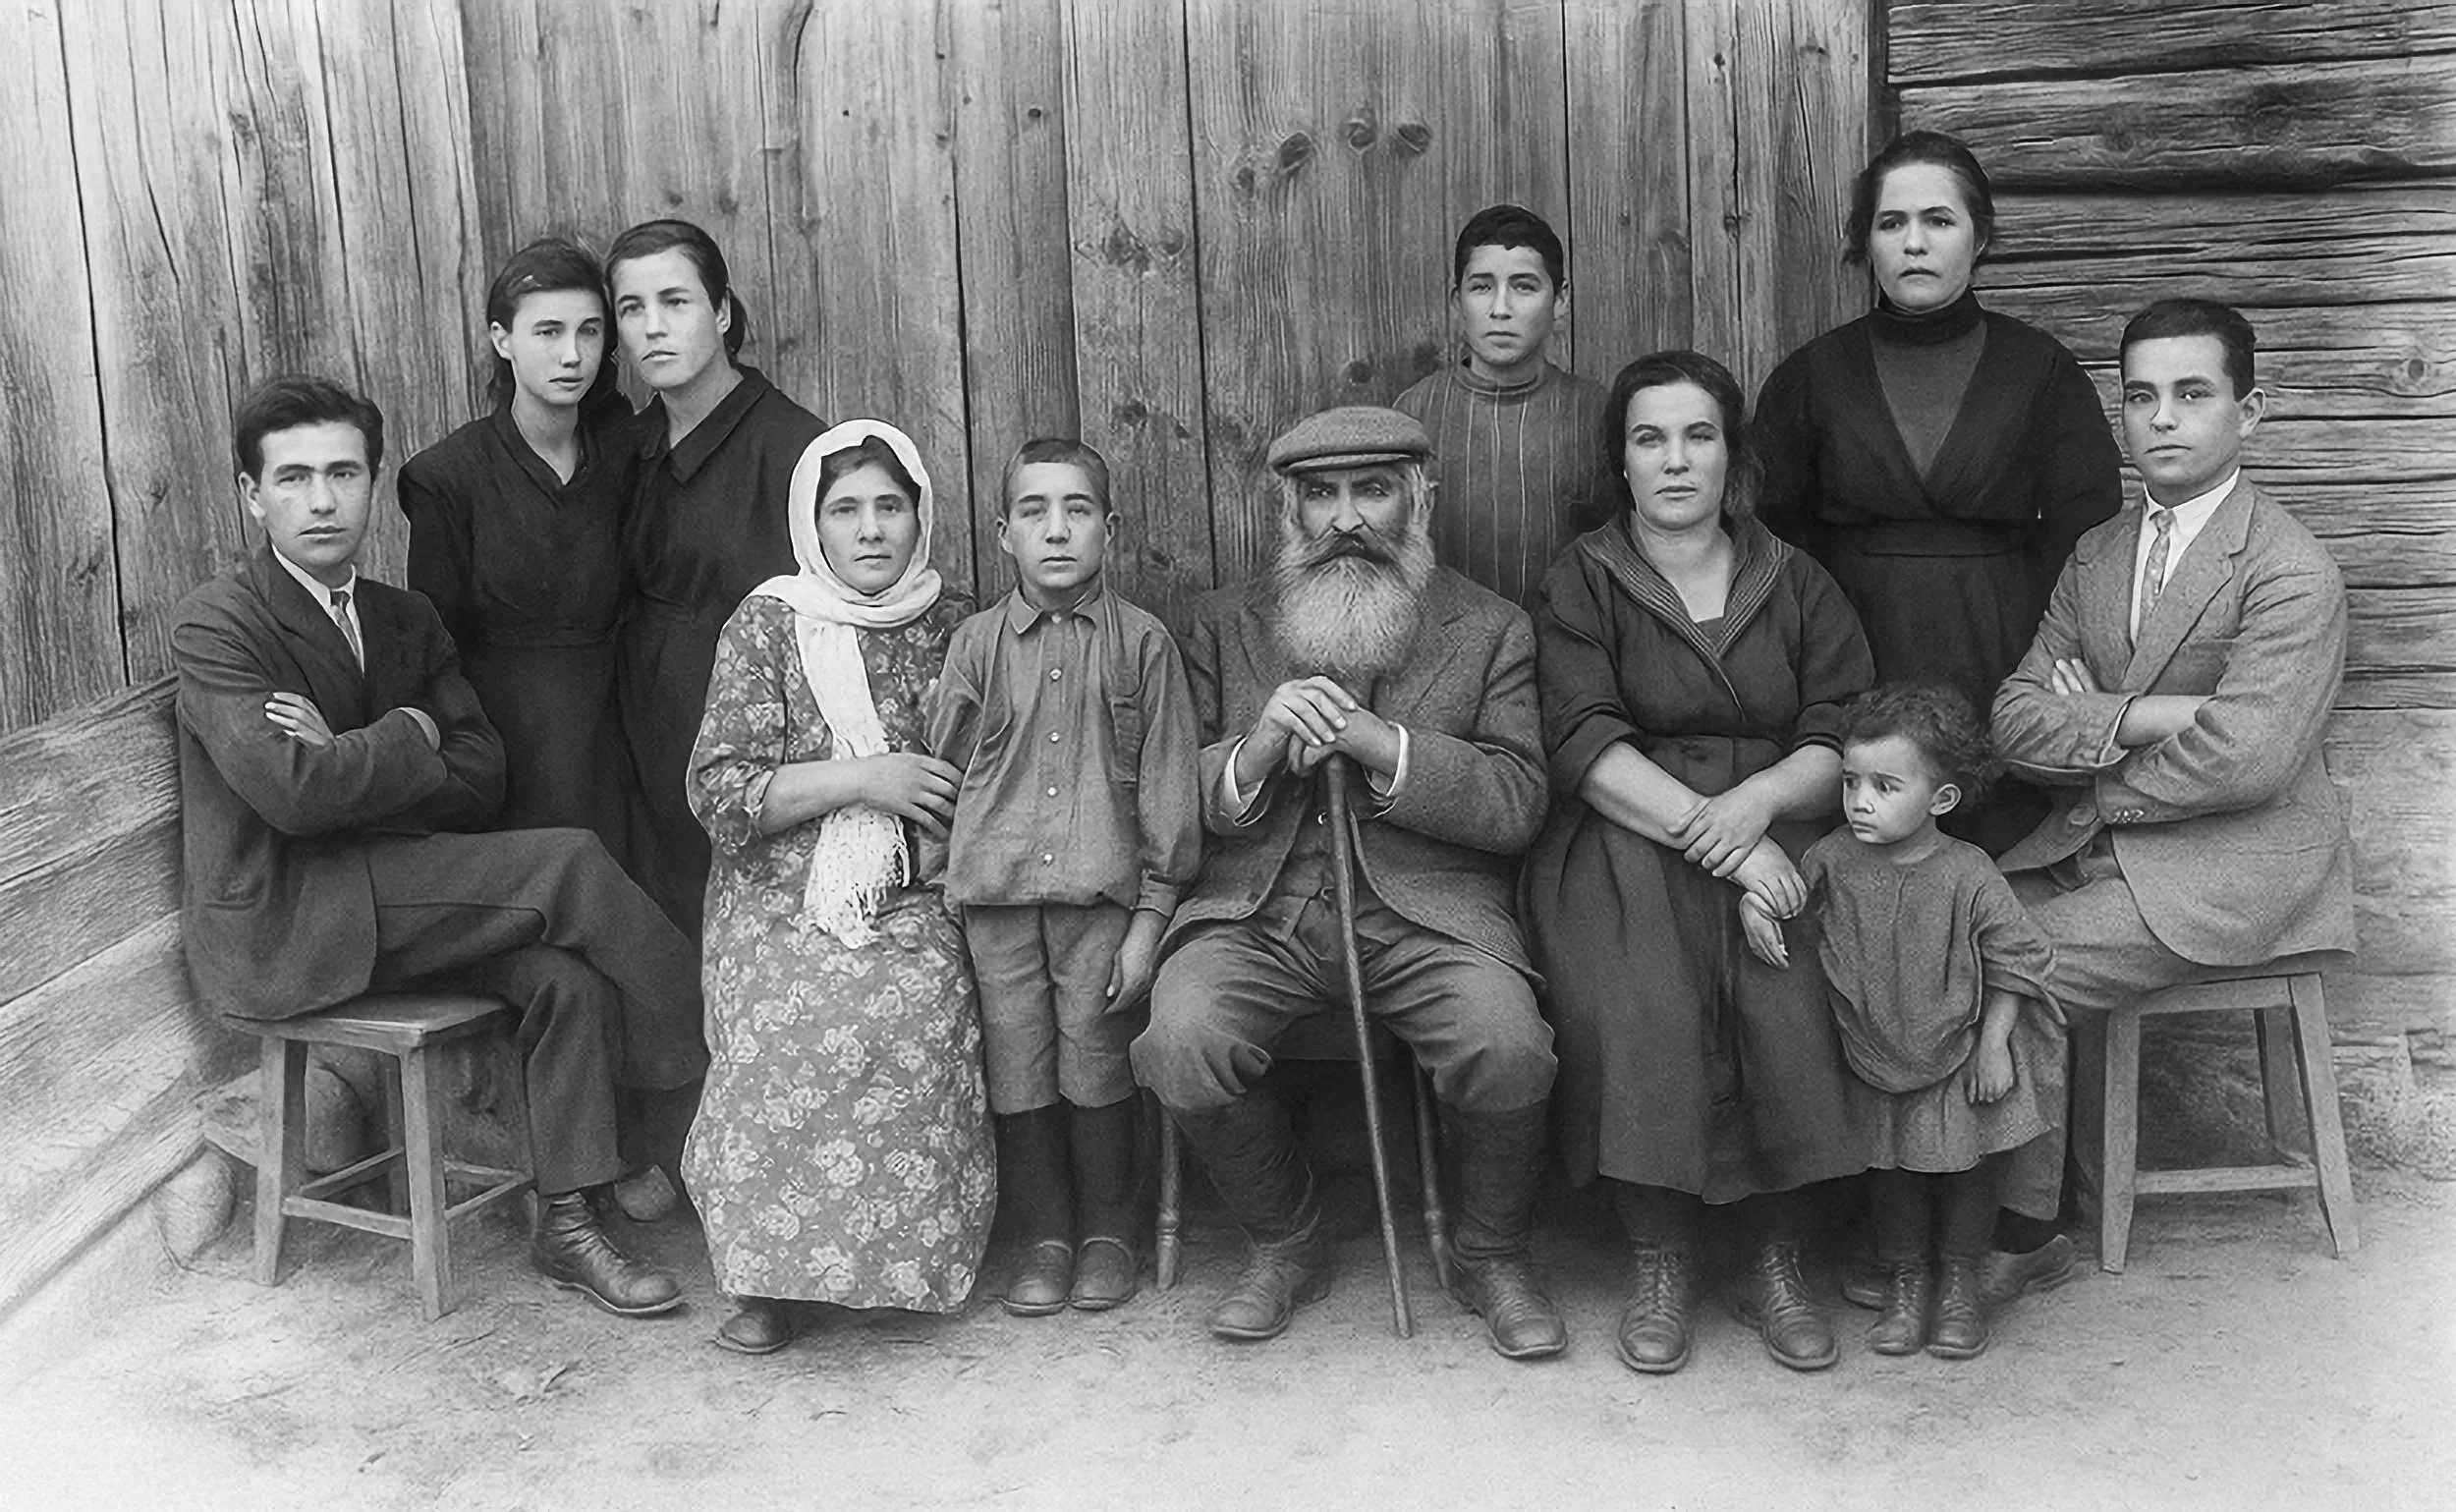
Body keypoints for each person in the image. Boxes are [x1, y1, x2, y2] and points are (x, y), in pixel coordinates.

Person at [172, 375, 705, 1317]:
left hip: (396, 894)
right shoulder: (221, 622)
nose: (323, 499)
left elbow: (483, 771)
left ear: (374, 482)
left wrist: (348, 755)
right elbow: (293, 797)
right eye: (294, 478)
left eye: (344, 473)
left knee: (567, 980)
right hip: (293, 914)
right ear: (252, 495)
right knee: (569, 861)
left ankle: (568, 1222)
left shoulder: (405, 618)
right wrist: (407, 732)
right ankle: (720, 1082)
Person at [1132, 406, 1565, 1361]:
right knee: (1183, 1041)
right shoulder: (1218, 624)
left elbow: (1516, 801)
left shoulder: (1491, 628)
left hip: (1425, 912)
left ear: (1420, 500)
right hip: (1258, 910)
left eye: (1372, 491)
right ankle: (1287, 1241)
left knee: (1508, 1046)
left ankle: (1489, 1253)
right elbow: (1166, 798)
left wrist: (1384, 746)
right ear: (1287, 511)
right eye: (1319, 496)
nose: (1345, 519)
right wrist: (1256, 749)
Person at [1522, 351, 1875, 1375]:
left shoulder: (1796, 577)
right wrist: (1726, 843)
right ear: (1621, 462)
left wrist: (1759, 808)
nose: (1675, 460)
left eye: (1697, 436)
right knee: (1642, 997)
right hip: (1629, 827)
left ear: (1732, 455)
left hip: (1781, 816)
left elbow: (1841, 728)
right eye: (1649, 439)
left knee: (1795, 987)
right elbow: (1583, 744)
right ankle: (1660, 1256)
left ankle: (1774, 1258)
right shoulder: (1582, 577)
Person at [1986, 297, 2354, 1279]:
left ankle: (2016, 1235)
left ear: (2249, 411)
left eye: (2192, 394)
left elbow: (2248, 756)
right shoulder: (2098, 553)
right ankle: (1961, 1211)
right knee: (1942, 925)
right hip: (2106, 853)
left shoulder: (2290, 569)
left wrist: (2092, 737)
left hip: (2233, 866)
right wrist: (2148, 713)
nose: (2162, 418)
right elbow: (2014, 721)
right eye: (2140, 395)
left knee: (2013, 959)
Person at [683, 420, 995, 1357]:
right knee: (789, 1018)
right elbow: (719, 789)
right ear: (811, 524)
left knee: (918, 1001)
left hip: (917, 883)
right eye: (845, 509)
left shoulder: (959, 623)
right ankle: (765, 1281)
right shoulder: (769, 623)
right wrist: (866, 778)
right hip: (779, 892)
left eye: (889, 507)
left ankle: (900, 1267)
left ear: (920, 517)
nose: (869, 530)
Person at [1756, 130, 2122, 857]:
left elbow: (2089, 531)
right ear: (1866, 241)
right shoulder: (1812, 376)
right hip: (1854, 647)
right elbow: (1772, 538)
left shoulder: (2040, 370)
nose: (1914, 243)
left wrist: (2058, 660)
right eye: (1891, 223)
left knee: (1992, 847)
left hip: (2001, 647)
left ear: (1979, 237)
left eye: (1938, 220)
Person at [928, 438, 1201, 1316]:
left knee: (1098, 1064)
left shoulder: (1143, 645)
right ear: (1002, 532)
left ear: (1108, 530)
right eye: (1034, 511)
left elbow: (1168, 792)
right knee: (1017, 1068)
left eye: (1077, 510)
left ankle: (1109, 1232)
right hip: (996, 906)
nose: (1056, 530)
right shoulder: (975, 646)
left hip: (1100, 905)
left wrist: (1150, 920)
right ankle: (1044, 1234)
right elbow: (941, 780)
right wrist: (941, 888)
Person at [1741, 684, 2062, 1360]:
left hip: (1959, 1054)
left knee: (1970, 1171)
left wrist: (1995, 1043)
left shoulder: (1968, 872)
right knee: (1893, 1176)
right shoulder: (1832, 858)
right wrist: (1756, 906)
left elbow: (2017, 957)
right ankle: (1907, 1286)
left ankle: (1959, 1288)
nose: (1860, 801)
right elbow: (1787, 901)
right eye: (1851, 782)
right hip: (1875, 1056)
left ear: (1940, 799)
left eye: (1885, 787)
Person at [609, 218, 827, 932]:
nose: (653, 327)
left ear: (723, 311)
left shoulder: (796, 451)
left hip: (748, 769)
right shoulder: (624, 449)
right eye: (632, 308)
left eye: (675, 301)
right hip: (639, 755)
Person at [398, 237, 640, 862]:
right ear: (502, 339)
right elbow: (434, 649)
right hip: (510, 747)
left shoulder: (628, 456)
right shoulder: (447, 477)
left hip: (623, 731)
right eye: (548, 332)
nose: (572, 354)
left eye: (590, 331)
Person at [1391, 203, 1614, 610]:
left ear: (1560, 300)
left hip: (1571, 639)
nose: (1500, 309)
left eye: (1524, 287)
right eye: (1482, 287)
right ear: (1457, 301)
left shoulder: (1597, 413)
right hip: (1448, 641)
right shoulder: (1414, 415)